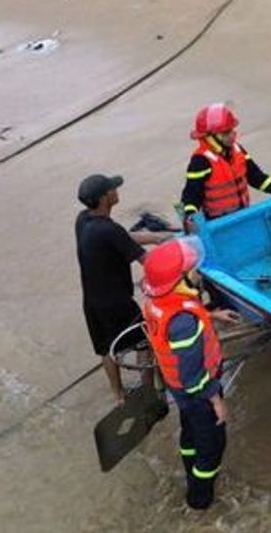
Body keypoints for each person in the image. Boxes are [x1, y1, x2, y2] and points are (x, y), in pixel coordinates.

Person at [141, 238, 241, 511]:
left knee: (191, 433)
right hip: (195, 389)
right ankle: (199, 502)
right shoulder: (184, 322)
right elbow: (190, 371)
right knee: (211, 446)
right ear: (180, 278)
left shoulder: (158, 301)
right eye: (190, 269)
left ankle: (190, 469)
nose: (196, 271)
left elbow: (180, 322)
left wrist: (212, 315)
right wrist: (215, 398)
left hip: (178, 387)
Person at [76, 173, 162, 404]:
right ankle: (148, 390)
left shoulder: (83, 220)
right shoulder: (109, 230)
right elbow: (148, 262)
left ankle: (118, 395)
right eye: (112, 188)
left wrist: (155, 237)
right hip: (117, 303)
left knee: (106, 349)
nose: (117, 190)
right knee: (146, 339)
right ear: (106, 197)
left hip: (92, 302)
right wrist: (178, 254)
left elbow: (123, 237)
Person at [181, 103, 271, 228]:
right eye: (225, 133)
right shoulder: (200, 161)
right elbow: (191, 194)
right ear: (210, 137)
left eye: (231, 131)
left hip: (242, 215)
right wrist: (190, 216)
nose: (231, 136)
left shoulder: (237, 150)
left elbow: (256, 177)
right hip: (217, 225)